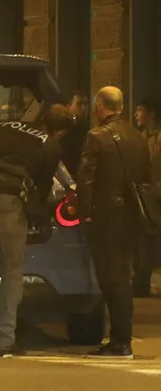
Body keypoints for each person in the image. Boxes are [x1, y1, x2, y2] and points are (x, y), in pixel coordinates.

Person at [0, 104, 73, 356]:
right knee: (12, 269)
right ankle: (4, 340)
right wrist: (35, 215)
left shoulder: (4, 127)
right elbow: (42, 189)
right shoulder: (51, 145)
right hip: (8, 200)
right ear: (61, 132)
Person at [77, 86, 152, 359]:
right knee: (124, 277)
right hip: (131, 216)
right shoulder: (137, 137)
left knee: (111, 279)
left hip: (106, 217)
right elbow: (147, 177)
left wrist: (84, 213)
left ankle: (120, 342)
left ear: (99, 105)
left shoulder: (96, 137)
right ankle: (122, 338)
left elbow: (86, 180)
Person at [133, 96, 161, 297]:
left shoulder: (158, 138)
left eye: (140, 109)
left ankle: (142, 281)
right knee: (145, 240)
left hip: (156, 196)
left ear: (151, 113)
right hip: (146, 196)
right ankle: (141, 281)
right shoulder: (141, 137)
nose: (136, 114)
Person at [60, 90, 91, 176]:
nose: (84, 108)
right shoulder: (63, 126)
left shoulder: (89, 126)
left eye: (85, 104)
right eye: (79, 104)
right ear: (68, 106)